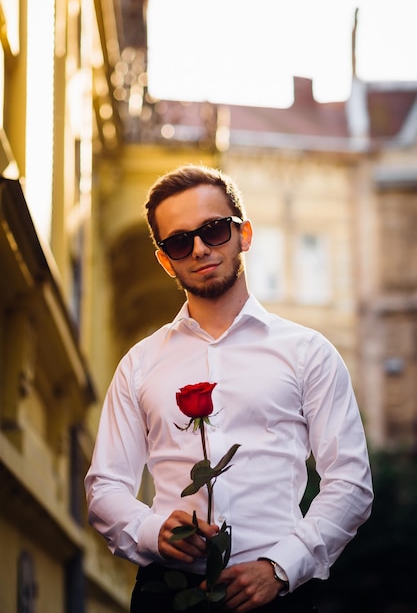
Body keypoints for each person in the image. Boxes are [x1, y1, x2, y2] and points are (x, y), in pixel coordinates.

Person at [85, 164, 373, 613]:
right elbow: (105, 486)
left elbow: (351, 482)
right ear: (165, 260)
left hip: (278, 595)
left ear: (245, 234)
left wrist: (281, 567)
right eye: (180, 241)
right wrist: (150, 529)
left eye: (215, 230)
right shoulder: (138, 364)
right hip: (168, 593)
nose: (199, 249)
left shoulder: (308, 352)